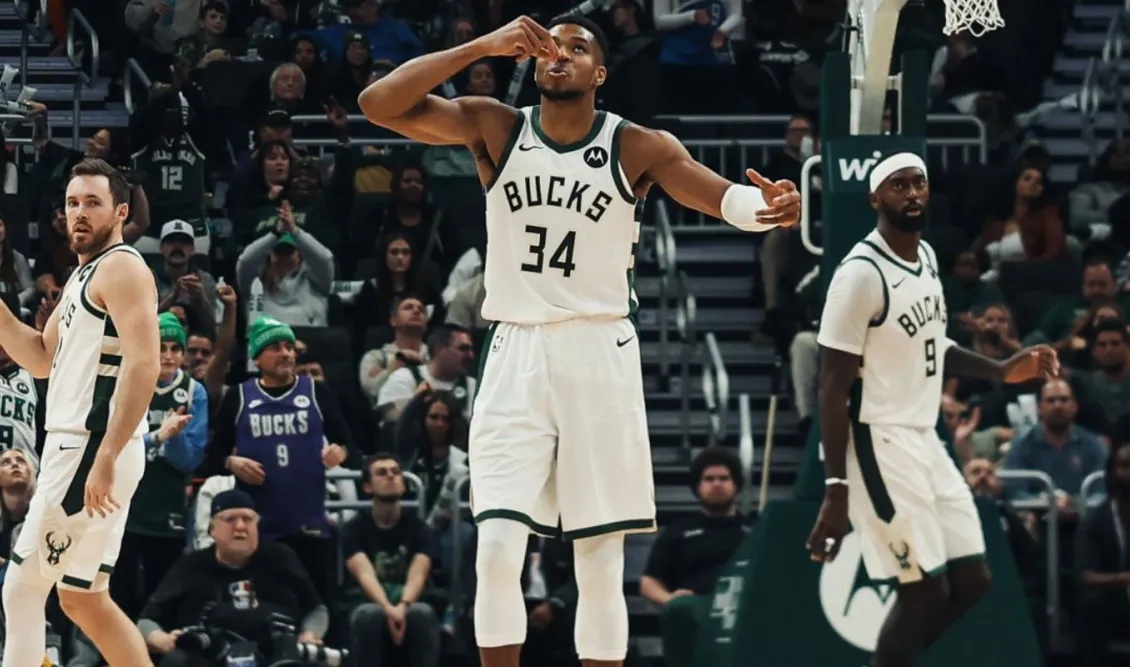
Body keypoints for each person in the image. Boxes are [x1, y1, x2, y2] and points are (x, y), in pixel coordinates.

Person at [359, 13, 800, 667]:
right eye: (550, 45)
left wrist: (769, 206)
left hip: (599, 351)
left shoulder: (636, 145)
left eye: (577, 47)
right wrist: (482, 46)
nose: (558, 53)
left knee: (599, 558)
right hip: (516, 346)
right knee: (496, 546)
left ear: (600, 73)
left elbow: (723, 198)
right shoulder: (495, 125)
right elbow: (378, 104)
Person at [805, 152, 1059, 667]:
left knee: (972, 580)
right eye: (898, 185)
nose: (912, 193)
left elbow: (933, 344)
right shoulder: (860, 275)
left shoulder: (925, 256)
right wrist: (835, 489)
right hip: (878, 439)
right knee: (922, 592)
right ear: (875, 198)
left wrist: (1002, 369)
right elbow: (830, 388)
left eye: (917, 182)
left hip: (924, 436)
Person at [0, 158, 159, 666]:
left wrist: (106, 455)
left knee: (21, 588)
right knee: (83, 599)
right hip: (85, 446)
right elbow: (40, 359)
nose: (80, 213)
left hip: (90, 445)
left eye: (93, 202)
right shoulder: (84, 275)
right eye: (72, 203)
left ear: (120, 211)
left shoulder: (122, 267)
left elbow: (145, 364)